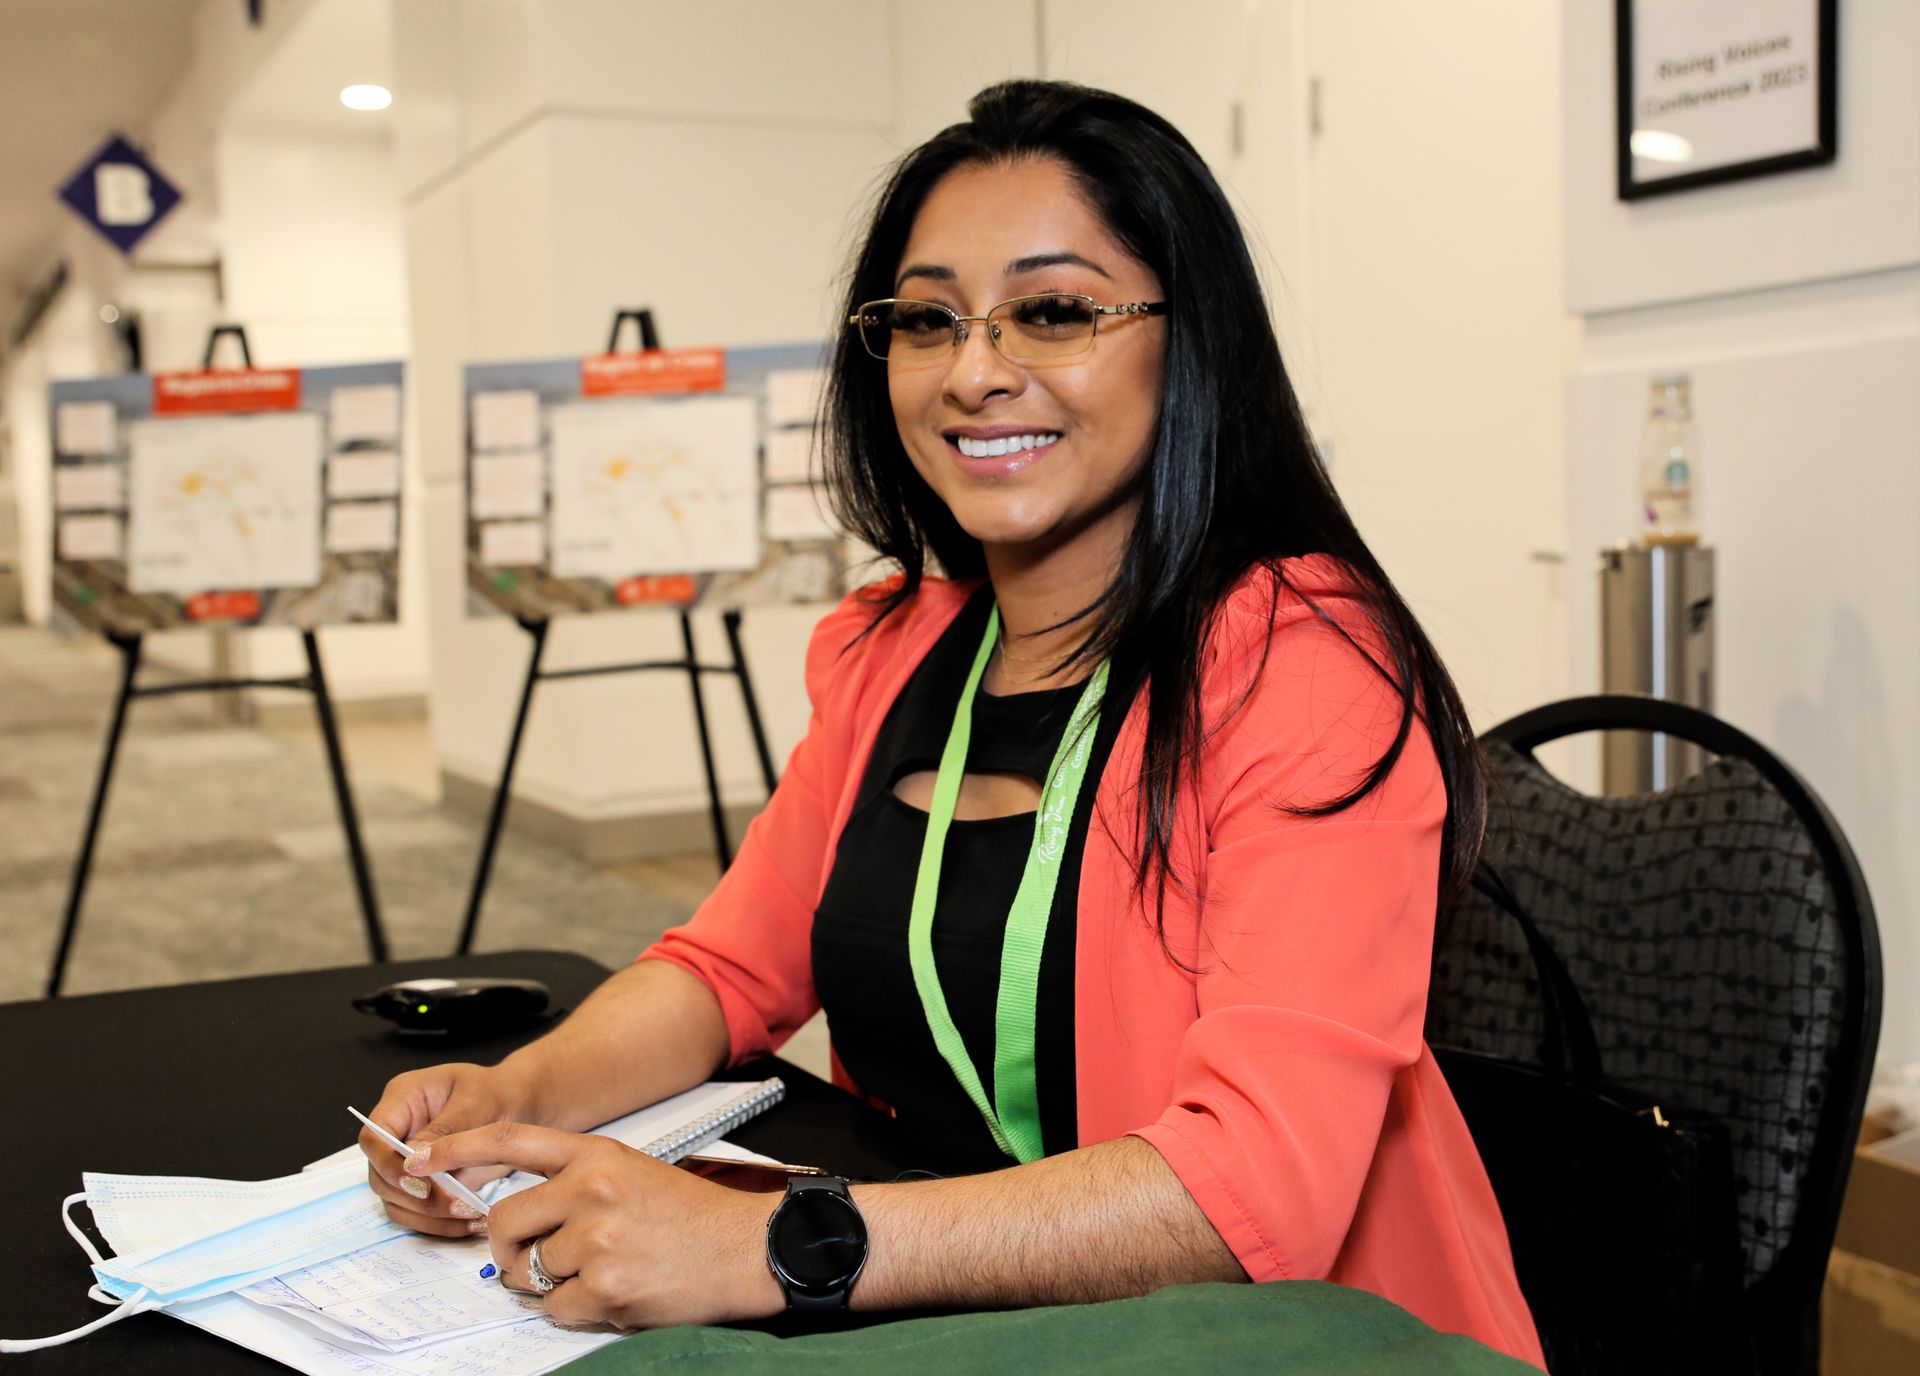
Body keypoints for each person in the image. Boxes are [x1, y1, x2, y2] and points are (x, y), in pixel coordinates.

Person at [360, 79, 1544, 1366]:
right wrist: (513, 1097)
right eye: (928, 320)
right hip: (960, 1304)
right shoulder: (897, 645)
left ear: (1188, 339)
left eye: (1053, 311)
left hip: (1276, 1336)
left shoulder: (1300, 664)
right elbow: (727, 968)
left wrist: (772, 1244)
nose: (977, 371)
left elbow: (1247, 1187)